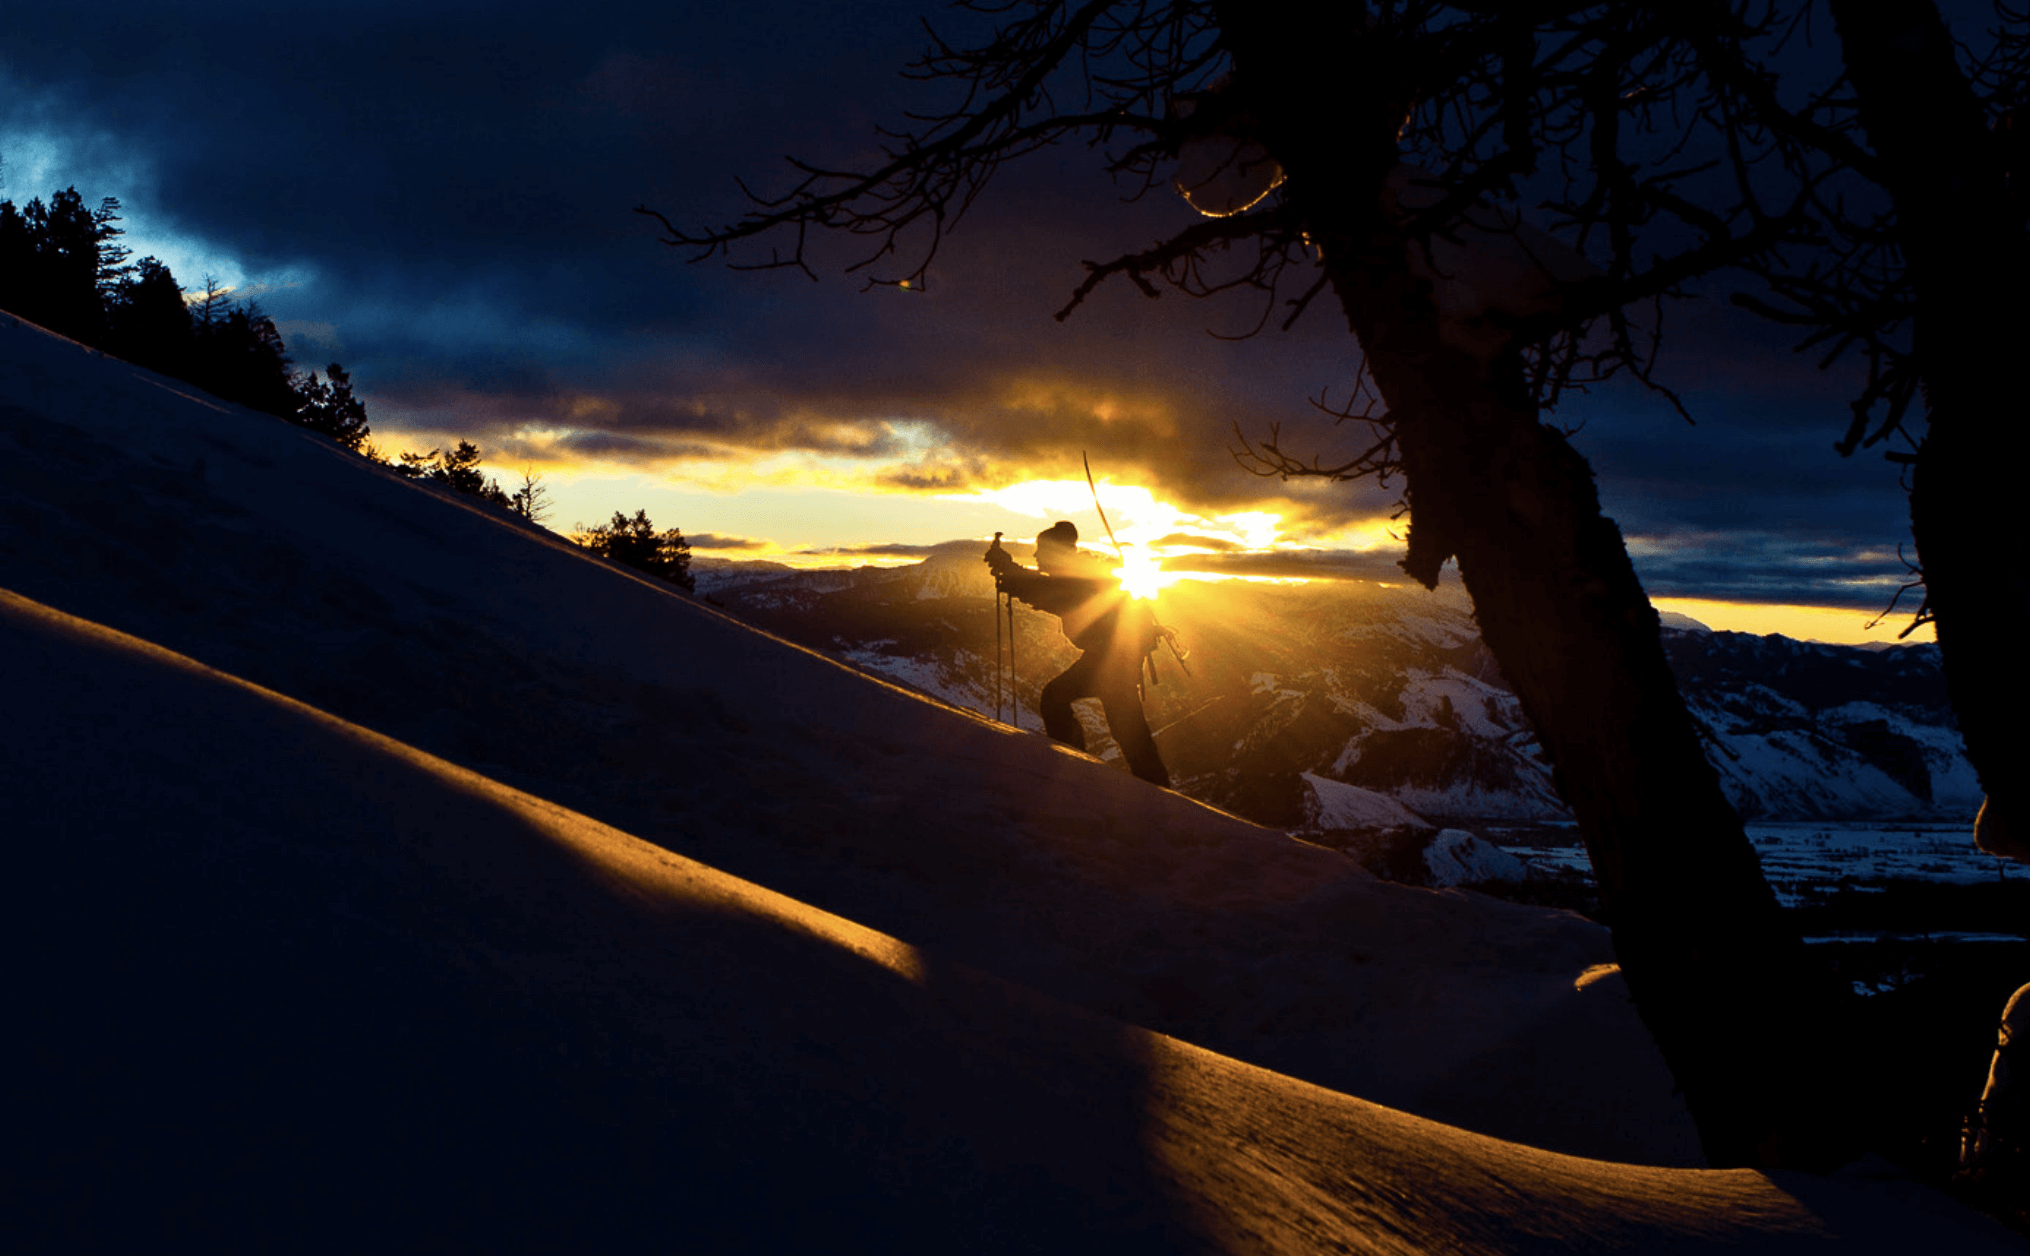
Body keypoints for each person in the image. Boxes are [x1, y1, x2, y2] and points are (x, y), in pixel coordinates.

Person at [985, 522, 1169, 787]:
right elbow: (1049, 591)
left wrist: (1010, 572)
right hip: (1115, 657)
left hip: (1112, 660)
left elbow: (1050, 593)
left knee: (1058, 700)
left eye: (1040, 551)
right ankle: (1157, 788)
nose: (1036, 556)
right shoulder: (1079, 575)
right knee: (1126, 729)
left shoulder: (1076, 579)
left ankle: (1077, 767)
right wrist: (1012, 574)